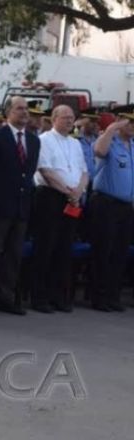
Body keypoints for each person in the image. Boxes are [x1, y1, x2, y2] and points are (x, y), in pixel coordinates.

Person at [0, 96, 40, 316]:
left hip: (21, 206)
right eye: (20, 109)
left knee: (13, 254)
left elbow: (28, 172)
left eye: (26, 109)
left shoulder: (33, 140)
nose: (25, 113)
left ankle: (6, 297)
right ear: (8, 112)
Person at [30, 105, 88, 314]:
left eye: (72, 118)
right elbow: (45, 170)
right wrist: (67, 191)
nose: (69, 121)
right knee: (47, 247)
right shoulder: (44, 140)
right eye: (65, 117)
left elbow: (84, 171)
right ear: (54, 118)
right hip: (51, 197)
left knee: (64, 249)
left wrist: (78, 192)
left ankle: (58, 296)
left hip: (72, 199)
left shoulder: (75, 143)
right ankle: (39, 296)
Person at [89, 105, 134, 312]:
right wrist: (111, 129)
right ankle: (99, 297)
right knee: (104, 251)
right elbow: (99, 150)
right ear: (120, 121)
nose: (132, 126)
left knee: (119, 252)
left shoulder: (132, 145)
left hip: (126, 206)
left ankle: (113, 296)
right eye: (129, 121)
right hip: (106, 203)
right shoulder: (110, 140)